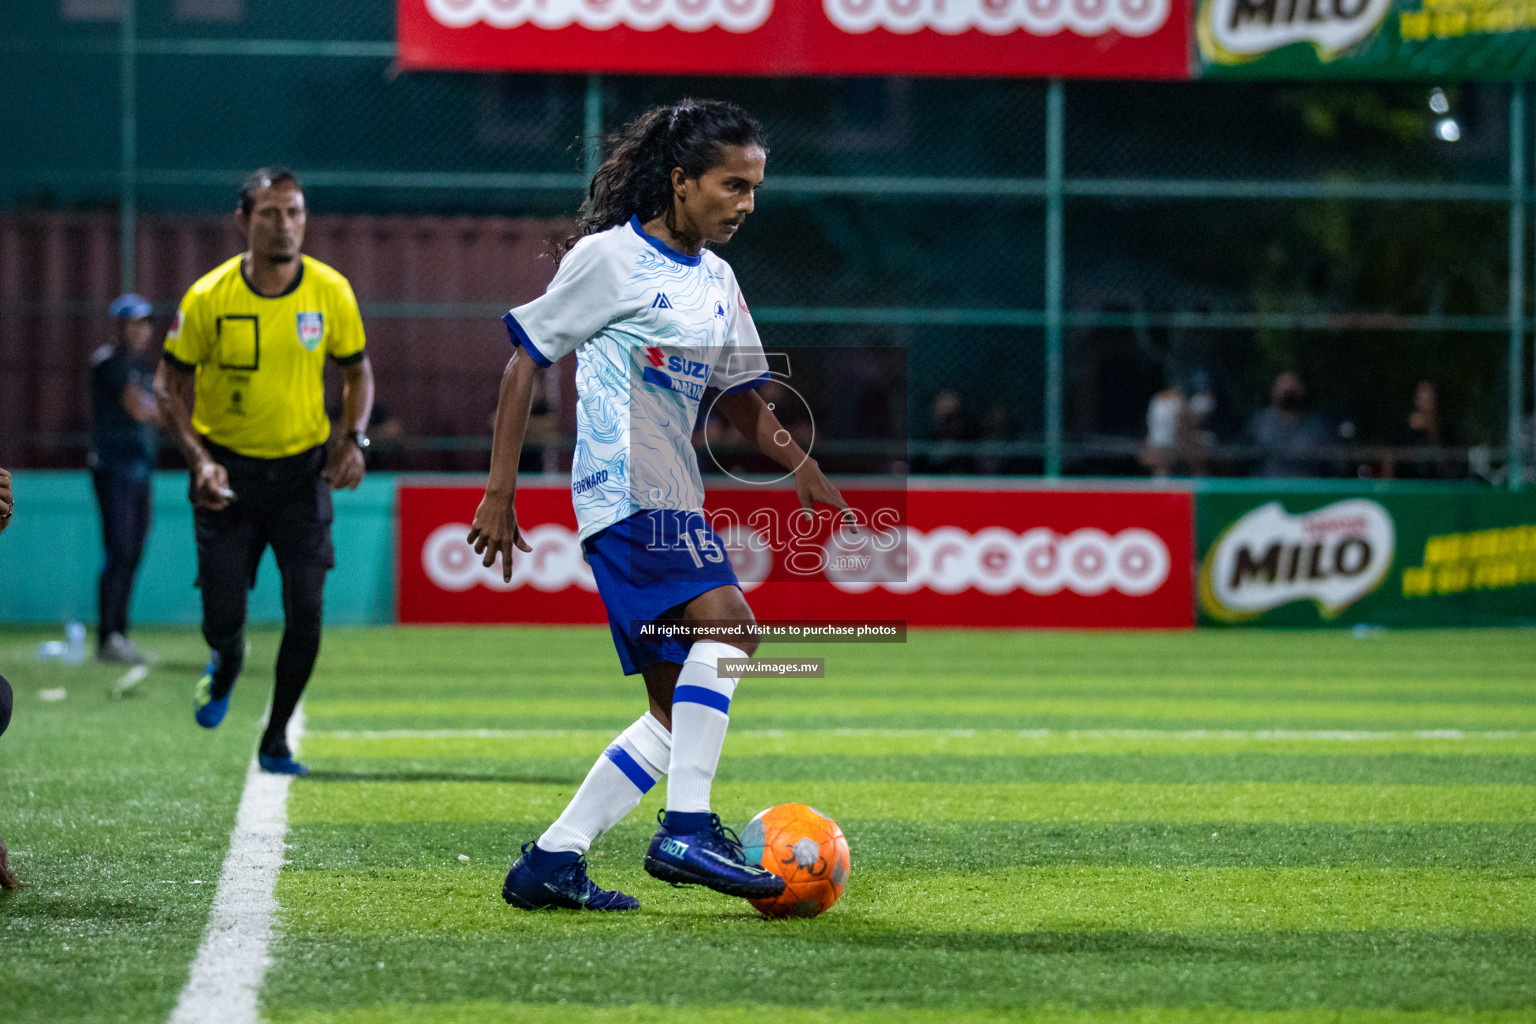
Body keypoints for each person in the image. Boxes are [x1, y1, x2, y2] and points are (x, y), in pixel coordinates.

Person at [470, 99, 856, 912]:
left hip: (671, 494)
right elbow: (524, 361)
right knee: (734, 628)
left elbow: (746, 398)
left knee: (672, 707)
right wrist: (499, 490)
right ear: (679, 182)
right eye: (730, 185)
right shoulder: (608, 260)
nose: (745, 203)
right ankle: (684, 828)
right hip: (626, 489)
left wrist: (803, 465)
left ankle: (550, 862)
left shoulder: (717, 280)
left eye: (753, 188)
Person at [153, 167, 375, 776]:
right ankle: (225, 660)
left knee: (307, 609)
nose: (285, 224)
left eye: (295, 212)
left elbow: (357, 372)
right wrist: (199, 461)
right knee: (223, 618)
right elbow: (167, 384)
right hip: (226, 478)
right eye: (272, 213)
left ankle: (275, 738)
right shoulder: (208, 297)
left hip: (303, 477)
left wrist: (352, 439)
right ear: (243, 220)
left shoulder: (330, 291)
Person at [89, 294, 160, 665]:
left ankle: (120, 631)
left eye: (145, 323)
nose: (140, 330)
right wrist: (171, 410)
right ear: (119, 327)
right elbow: (139, 407)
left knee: (133, 550)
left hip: (139, 469)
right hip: (113, 469)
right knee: (118, 548)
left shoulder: (142, 366)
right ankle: (108, 634)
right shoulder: (109, 363)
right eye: (133, 323)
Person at [1246, 371, 1330, 478]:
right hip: (1267, 486)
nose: (1289, 391)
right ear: (1274, 391)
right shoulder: (1260, 422)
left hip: (1306, 487)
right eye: (1284, 387)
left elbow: (1324, 455)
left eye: (1294, 387)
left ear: (1303, 390)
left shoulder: (1314, 425)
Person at [1383, 380, 1454, 480]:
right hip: (1406, 484)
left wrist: (1432, 432)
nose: (1426, 401)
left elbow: (1446, 464)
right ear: (1415, 399)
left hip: (1434, 485)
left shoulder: (1444, 430)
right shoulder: (1401, 428)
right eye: (1422, 396)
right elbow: (1389, 458)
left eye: (1430, 397)